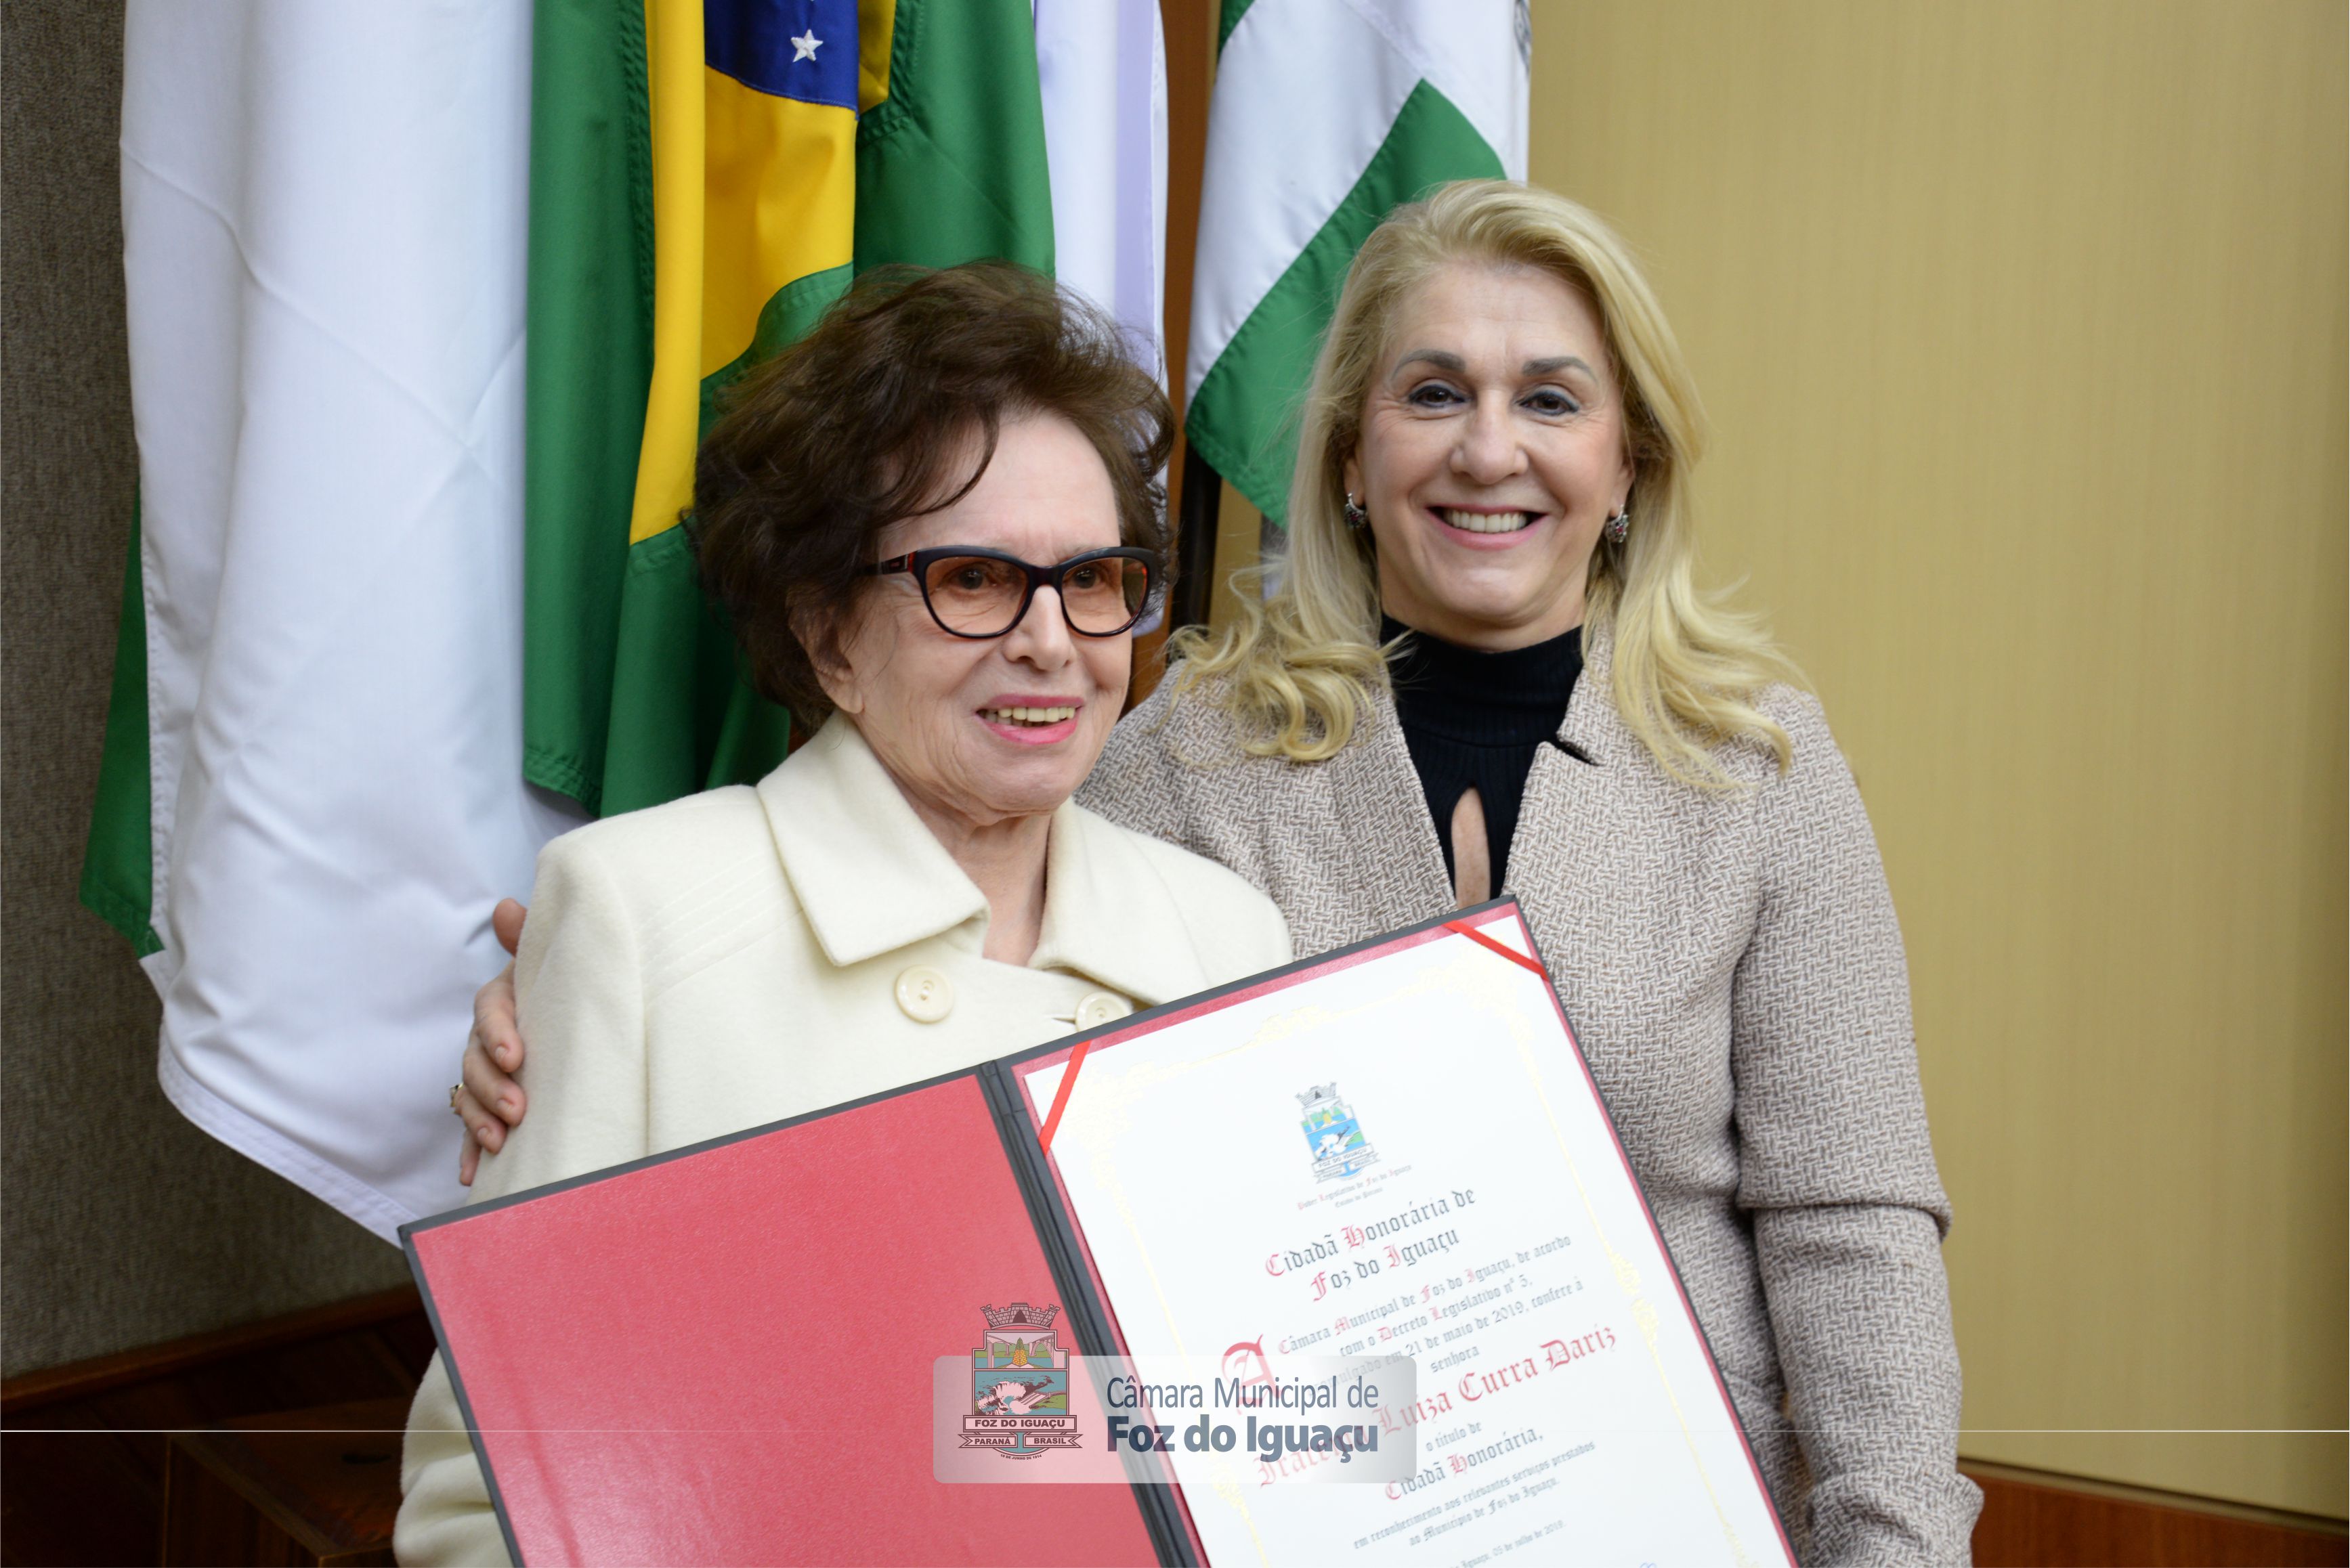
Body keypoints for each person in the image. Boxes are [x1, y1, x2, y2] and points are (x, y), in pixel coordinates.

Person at [456, 182, 1979, 1561]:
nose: (1488, 447)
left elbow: (1853, 1218)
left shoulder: (1752, 764)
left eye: (1552, 399)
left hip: (1667, 1512)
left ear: (1628, 458)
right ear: (1349, 457)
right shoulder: (1181, 755)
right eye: (1433, 392)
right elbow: (962, 862)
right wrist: (578, 997)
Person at [397, 264, 1291, 1566]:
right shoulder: (638, 916)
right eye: (975, 579)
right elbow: (480, 1505)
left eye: (1095, 578)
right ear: (825, 634)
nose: (1052, 640)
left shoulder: (1229, 934)